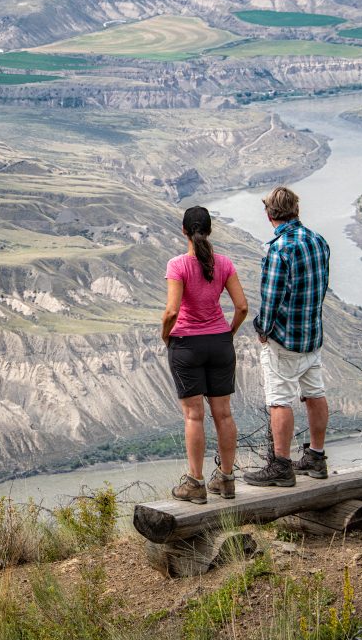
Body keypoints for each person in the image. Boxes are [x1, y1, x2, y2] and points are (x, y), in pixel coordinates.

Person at [244, 186, 331, 487]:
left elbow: (270, 300)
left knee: (279, 400)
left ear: (269, 213)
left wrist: (262, 330)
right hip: (312, 334)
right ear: (296, 209)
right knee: (314, 393)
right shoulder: (318, 241)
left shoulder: (279, 248)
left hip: (284, 339)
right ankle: (316, 457)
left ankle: (281, 466)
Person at [162, 206, 249, 504]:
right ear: (210, 230)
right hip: (219, 343)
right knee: (223, 413)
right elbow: (242, 307)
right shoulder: (223, 263)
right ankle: (226, 480)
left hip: (187, 345)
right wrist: (228, 333)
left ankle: (196, 483)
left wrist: (166, 336)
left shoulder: (178, 266)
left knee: (193, 416)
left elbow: (172, 310)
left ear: (183, 231)